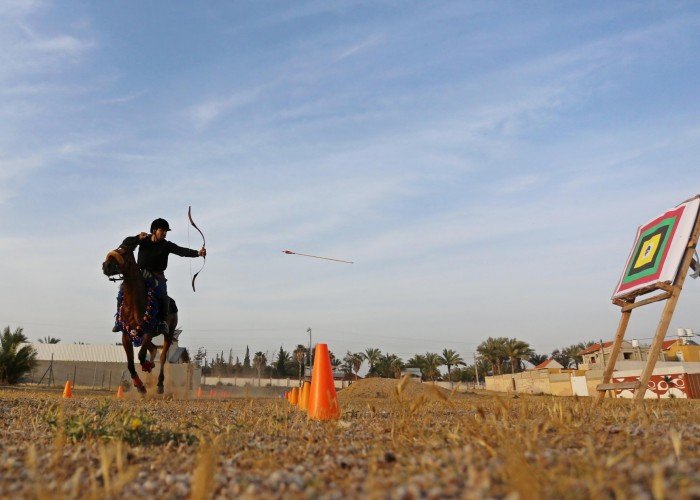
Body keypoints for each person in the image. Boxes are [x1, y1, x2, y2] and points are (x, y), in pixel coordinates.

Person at [113, 218, 206, 335]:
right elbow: (126, 242)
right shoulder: (144, 240)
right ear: (154, 230)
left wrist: (198, 253)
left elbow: (181, 251)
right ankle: (118, 320)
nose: (165, 233)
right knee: (123, 289)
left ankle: (162, 322)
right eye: (162, 230)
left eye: (166, 231)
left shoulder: (166, 245)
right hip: (141, 274)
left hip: (158, 276)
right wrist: (137, 238)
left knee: (163, 295)